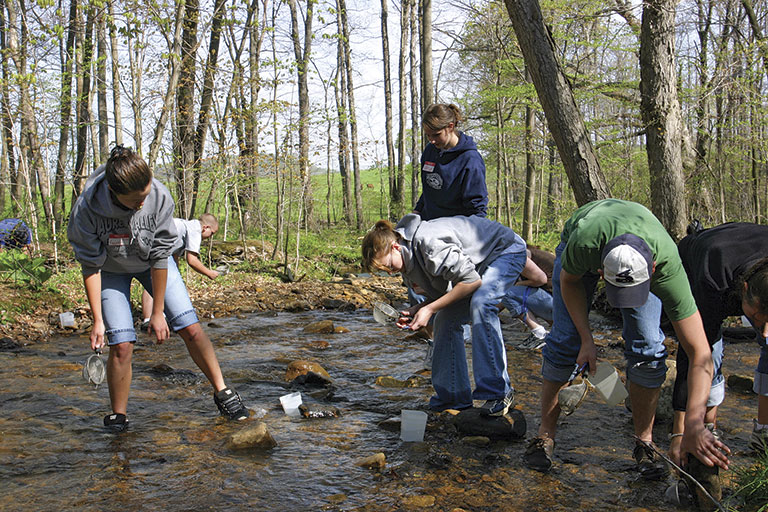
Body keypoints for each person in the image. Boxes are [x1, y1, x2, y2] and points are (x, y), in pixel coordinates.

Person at [523, 199, 730, 479]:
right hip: (586, 236)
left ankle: (644, 443)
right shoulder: (583, 246)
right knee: (563, 341)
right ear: (600, 273)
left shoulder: (668, 264)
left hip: (644, 238)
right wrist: (586, 339)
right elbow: (569, 282)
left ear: (654, 270)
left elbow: (700, 352)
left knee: (648, 348)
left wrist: (693, 425)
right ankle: (545, 436)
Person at [67, 145, 249, 432]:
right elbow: (90, 266)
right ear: (115, 193)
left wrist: (158, 311)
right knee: (122, 344)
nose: (143, 203)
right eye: (135, 201)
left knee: (190, 327)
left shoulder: (159, 195)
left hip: (153, 263)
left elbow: (161, 255)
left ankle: (224, 392)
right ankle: (119, 416)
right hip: (111, 272)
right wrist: (97, 321)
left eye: (146, 195)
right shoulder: (87, 209)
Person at [362, 213, 547, 416]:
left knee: (482, 304)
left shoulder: (429, 243)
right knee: (446, 319)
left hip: (506, 251)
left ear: (396, 247)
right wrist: (418, 309)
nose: (390, 272)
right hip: (478, 267)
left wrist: (429, 309)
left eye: (388, 266)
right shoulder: (407, 263)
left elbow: (471, 281)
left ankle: (499, 392)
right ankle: (452, 397)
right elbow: (446, 293)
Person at [672, 223, 768, 455]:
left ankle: (763, 432)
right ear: (744, 289)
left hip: (745, 257)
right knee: (710, 350)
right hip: (696, 267)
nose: (763, 331)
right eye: (756, 318)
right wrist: (680, 432)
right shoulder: (713, 279)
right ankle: (705, 427)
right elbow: (694, 355)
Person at [140, 213, 221, 331]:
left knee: (155, 280)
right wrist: (209, 273)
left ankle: (152, 317)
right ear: (205, 228)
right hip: (153, 246)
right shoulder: (195, 230)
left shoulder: (185, 226)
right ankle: (149, 319)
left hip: (150, 243)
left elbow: (174, 254)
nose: (211, 236)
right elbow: (191, 260)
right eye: (212, 233)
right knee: (154, 280)